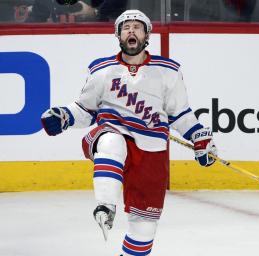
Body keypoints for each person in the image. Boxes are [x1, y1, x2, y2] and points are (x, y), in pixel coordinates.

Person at [41, 9, 217, 255]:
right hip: (112, 134)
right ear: (118, 35)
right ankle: (105, 205)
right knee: (112, 142)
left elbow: (181, 114)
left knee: (144, 227)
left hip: (152, 150)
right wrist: (65, 117)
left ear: (147, 35)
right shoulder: (101, 70)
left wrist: (200, 137)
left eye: (137, 26)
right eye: (126, 27)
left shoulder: (168, 71)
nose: (131, 31)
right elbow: (85, 109)